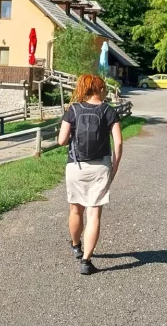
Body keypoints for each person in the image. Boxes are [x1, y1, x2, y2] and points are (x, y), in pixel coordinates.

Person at [57, 74, 123, 275]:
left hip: (75, 166)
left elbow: (61, 140)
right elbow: (118, 143)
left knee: (75, 210)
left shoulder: (73, 110)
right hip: (100, 166)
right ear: (100, 89)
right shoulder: (108, 111)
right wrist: (114, 167)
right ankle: (86, 261)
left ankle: (76, 245)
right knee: (93, 213)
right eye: (104, 88)